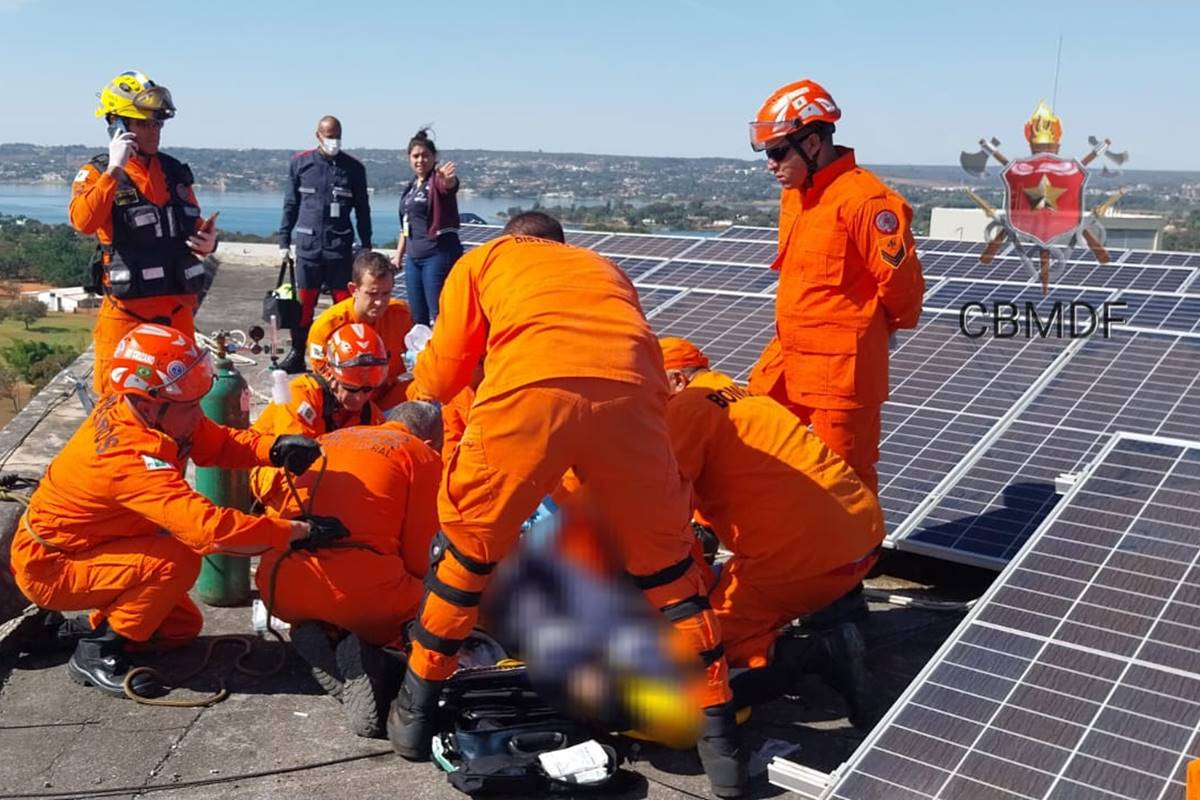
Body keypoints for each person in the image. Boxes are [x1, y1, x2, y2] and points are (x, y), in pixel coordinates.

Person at [391, 212, 746, 798]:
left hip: (530, 394)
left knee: (463, 563)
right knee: (674, 578)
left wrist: (418, 385)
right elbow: (641, 357)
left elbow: (444, 370)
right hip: (630, 401)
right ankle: (724, 753)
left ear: (512, 237)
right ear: (561, 246)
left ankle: (413, 715)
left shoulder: (484, 260)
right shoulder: (603, 268)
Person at [8, 324, 331, 697]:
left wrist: (273, 450)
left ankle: (100, 624)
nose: (197, 415)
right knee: (177, 561)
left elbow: (216, 443)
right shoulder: (127, 457)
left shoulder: (153, 414)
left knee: (179, 629)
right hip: (52, 566)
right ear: (148, 403)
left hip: (95, 545)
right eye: (190, 406)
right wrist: (294, 532)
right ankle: (98, 651)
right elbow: (209, 531)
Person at [659, 337, 884, 722]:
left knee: (690, 648)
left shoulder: (685, 410)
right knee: (719, 587)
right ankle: (821, 619)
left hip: (806, 563)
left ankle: (820, 655)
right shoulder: (745, 397)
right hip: (863, 539)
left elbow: (659, 500)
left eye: (650, 387)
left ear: (677, 380)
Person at [746, 79, 925, 494]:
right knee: (741, 432)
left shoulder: (867, 202)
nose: (770, 165)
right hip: (789, 354)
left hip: (840, 371)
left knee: (843, 480)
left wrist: (874, 333)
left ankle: (849, 558)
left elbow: (902, 285)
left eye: (776, 152)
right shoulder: (797, 195)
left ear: (812, 142)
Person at [254, 402, 443, 738]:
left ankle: (323, 632)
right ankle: (379, 664)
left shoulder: (330, 438)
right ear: (430, 443)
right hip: (360, 596)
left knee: (348, 591)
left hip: (278, 583)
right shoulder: (420, 455)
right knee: (443, 601)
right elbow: (419, 557)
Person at [70, 71, 218, 396]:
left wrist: (208, 242)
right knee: (117, 403)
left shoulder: (174, 170)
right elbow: (83, 221)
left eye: (157, 124)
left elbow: (191, 226)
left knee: (184, 399)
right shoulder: (96, 173)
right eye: (143, 124)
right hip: (127, 314)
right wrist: (114, 170)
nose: (154, 132)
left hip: (177, 312)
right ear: (118, 125)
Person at [250, 323, 388, 505]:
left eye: (368, 389)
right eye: (351, 389)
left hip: (328, 478)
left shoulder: (371, 416)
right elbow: (295, 458)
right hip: (277, 473)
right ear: (331, 375)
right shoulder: (301, 394)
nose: (360, 397)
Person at [276, 115, 373, 373]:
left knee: (343, 306)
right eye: (329, 135)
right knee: (304, 305)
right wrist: (284, 238)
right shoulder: (300, 164)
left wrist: (367, 245)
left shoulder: (354, 169)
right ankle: (298, 354)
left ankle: (346, 354)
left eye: (337, 135)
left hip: (339, 249)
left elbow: (363, 209)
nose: (334, 141)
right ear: (318, 135)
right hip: (308, 248)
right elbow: (291, 204)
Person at [307, 250, 413, 410]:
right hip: (345, 404)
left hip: (385, 396)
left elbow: (423, 352)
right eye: (372, 294)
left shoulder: (400, 315)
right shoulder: (327, 326)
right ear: (353, 290)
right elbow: (323, 376)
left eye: (386, 294)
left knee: (427, 390)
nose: (380, 302)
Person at [391, 129, 463, 326]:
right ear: (409, 158)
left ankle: (443, 353)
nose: (420, 160)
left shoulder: (437, 180)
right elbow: (406, 224)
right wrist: (399, 255)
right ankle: (422, 354)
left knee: (438, 313)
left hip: (437, 255)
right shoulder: (411, 187)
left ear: (434, 157)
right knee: (417, 316)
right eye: (416, 156)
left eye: (425, 155)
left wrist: (449, 180)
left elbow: (449, 186)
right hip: (413, 259)